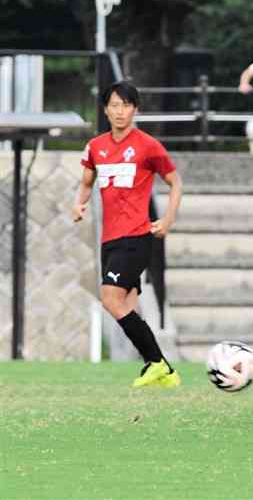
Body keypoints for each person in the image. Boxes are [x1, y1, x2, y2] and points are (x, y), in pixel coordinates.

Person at [72, 81, 183, 388]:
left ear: (135, 109)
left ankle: (156, 362)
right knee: (128, 305)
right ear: (106, 109)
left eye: (127, 105)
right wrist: (79, 204)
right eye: (115, 105)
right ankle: (167, 373)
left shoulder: (148, 145)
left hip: (136, 236)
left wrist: (168, 219)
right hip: (109, 239)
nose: (120, 111)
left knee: (110, 298)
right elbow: (86, 181)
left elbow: (175, 182)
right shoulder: (96, 147)